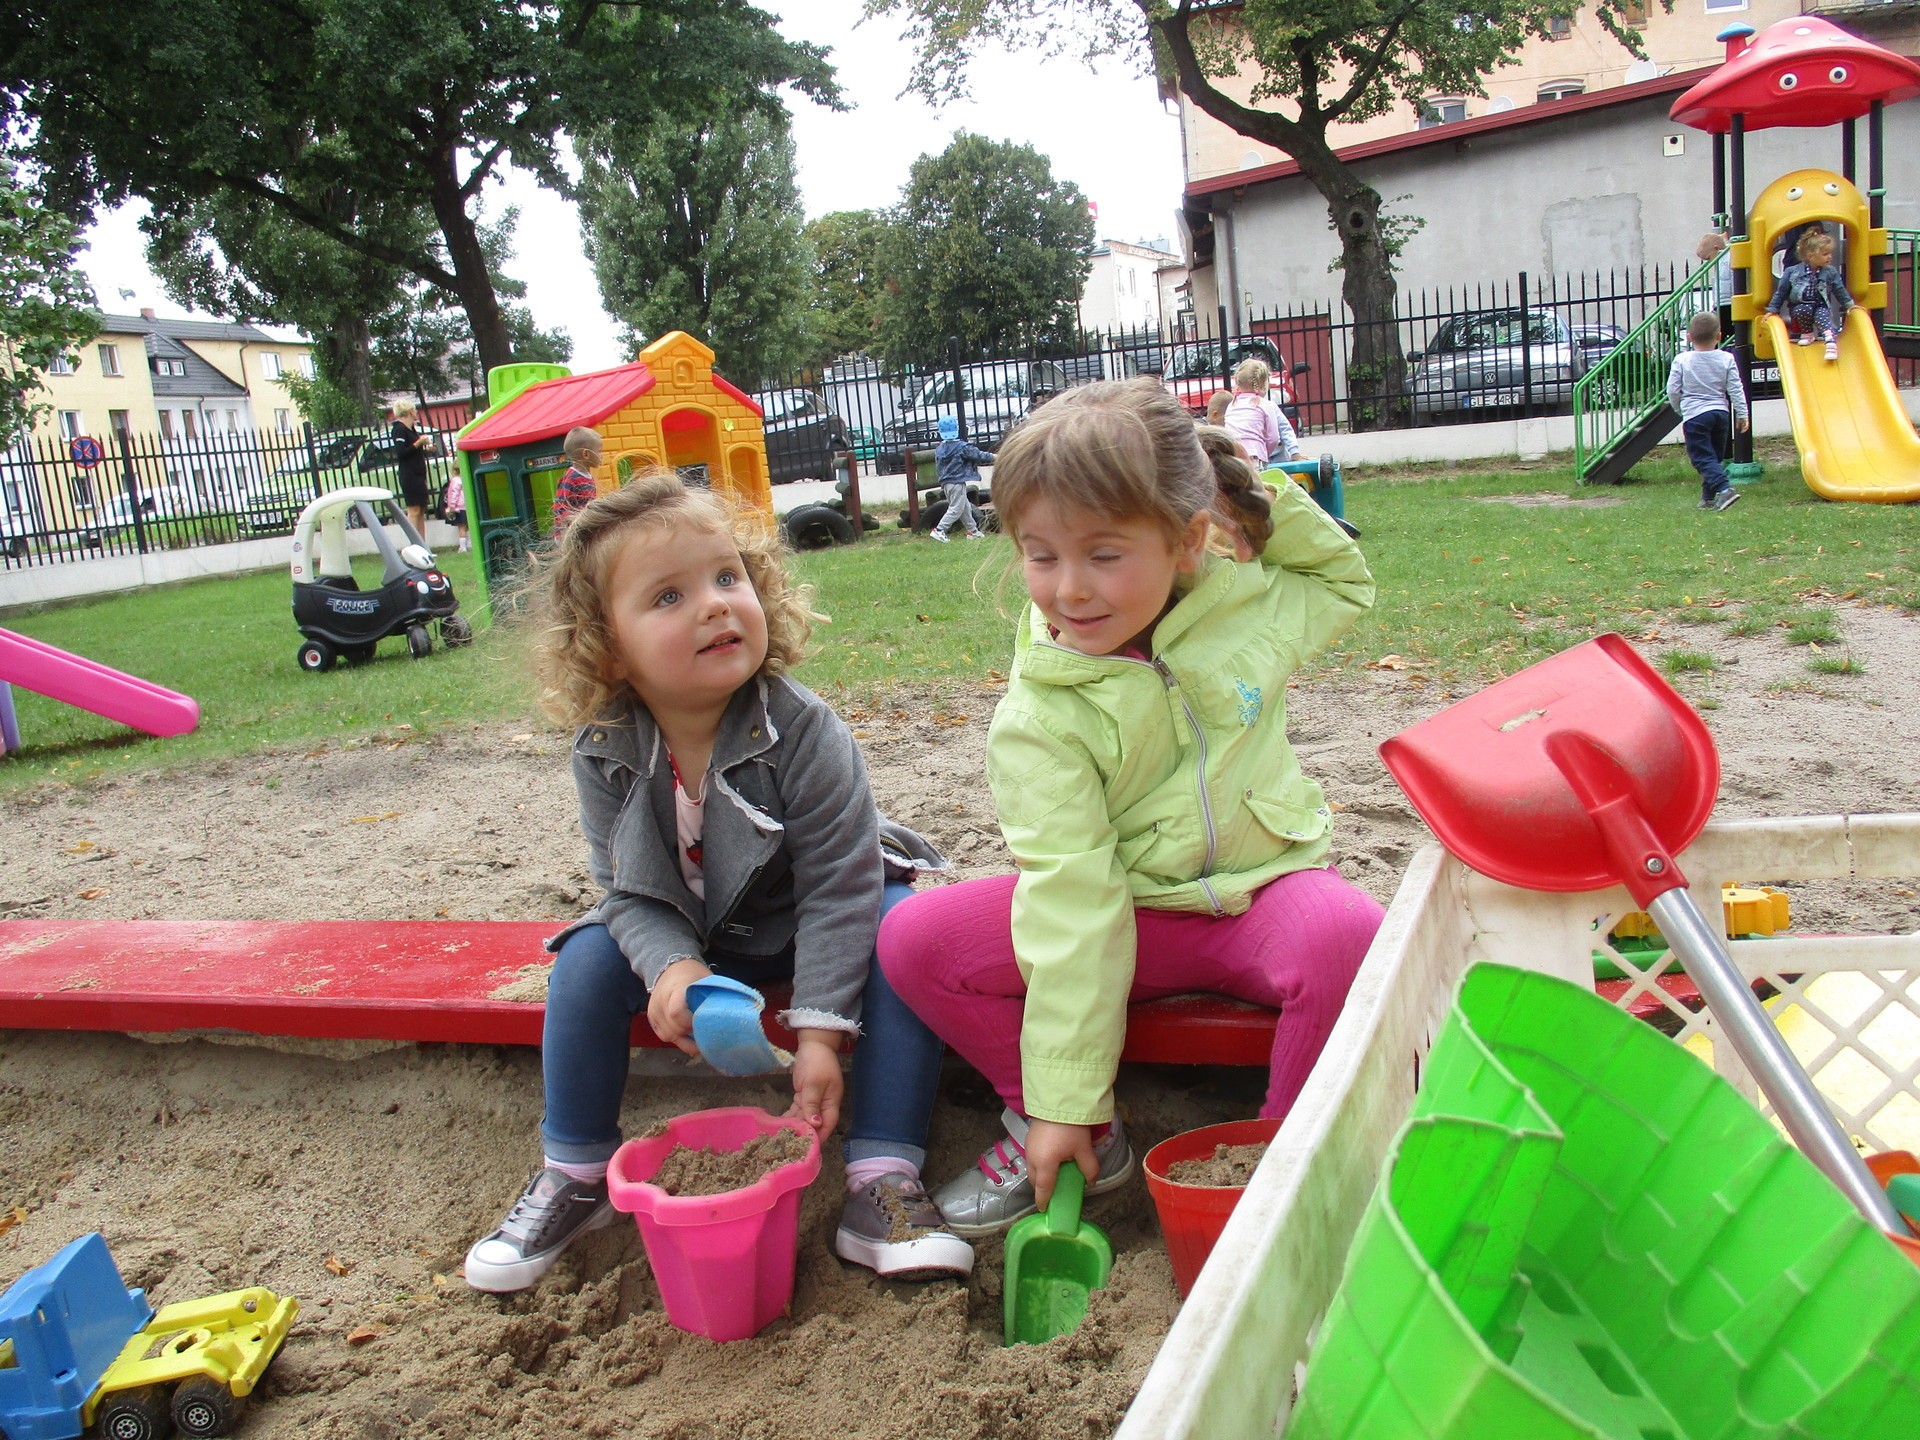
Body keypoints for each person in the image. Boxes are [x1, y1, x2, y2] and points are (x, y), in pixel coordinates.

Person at [877, 377, 1385, 1234]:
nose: (1070, 589)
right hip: (1131, 912)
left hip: (1261, 892)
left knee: (1349, 937)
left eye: (1105, 554)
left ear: (1187, 540)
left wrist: (1248, 496)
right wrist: (1062, 1101)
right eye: (1041, 555)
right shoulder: (1041, 714)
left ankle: (1288, 1172)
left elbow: (1343, 581)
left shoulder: (1244, 603)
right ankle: (1073, 1127)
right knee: (915, 941)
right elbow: (1074, 898)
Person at [463, 471, 973, 1291]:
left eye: (728, 577)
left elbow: (839, 888)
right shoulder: (605, 748)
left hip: (813, 924)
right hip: (702, 937)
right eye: (669, 596)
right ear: (607, 645)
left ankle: (882, 1178)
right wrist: (672, 968)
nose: (714, 605)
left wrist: (820, 1034)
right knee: (585, 961)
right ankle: (576, 1174)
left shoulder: (803, 731)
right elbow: (629, 892)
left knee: (899, 929)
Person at [1667, 311, 1750, 514]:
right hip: (1720, 414)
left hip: (1695, 416)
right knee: (1713, 457)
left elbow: (1672, 390)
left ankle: (1725, 489)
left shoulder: (1682, 360)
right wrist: (1742, 413)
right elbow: (1735, 388)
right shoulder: (1727, 358)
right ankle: (1708, 498)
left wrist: (1679, 409)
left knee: (1702, 458)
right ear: (1719, 336)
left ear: (1689, 337)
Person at [1766, 229, 1854, 362]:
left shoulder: (1830, 272)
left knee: (1822, 315)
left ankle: (1830, 341)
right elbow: (1781, 292)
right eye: (1825, 254)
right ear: (1810, 255)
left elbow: (1839, 290)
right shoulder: (1792, 272)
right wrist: (1773, 310)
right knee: (1801, 309)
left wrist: (1850, 305)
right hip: (1801, 305)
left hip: (1820, 305)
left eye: (1830, 253)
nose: (1830, 257)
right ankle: (1807, 333)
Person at [1222, 357, 1303, 469]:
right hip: (1254, 455)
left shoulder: (1232, 405)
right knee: (1257, 479)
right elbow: (1274, 438)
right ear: (1264, 384)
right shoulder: (1266, 405)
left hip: (1234, 456)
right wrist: (1264, 453)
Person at [930, 414, 990, 543]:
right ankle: (939, 530)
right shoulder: (961, 447)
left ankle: (972, 531)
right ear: (956, 429)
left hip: (946, 483)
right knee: (956, 508)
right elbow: (978, 455)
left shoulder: (940, 449)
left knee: (965, 507)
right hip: (957, 482)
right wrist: (996, 457)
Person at [389, 400, 433, 536]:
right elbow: (401, 453)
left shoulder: (411, 429)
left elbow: (413, 450)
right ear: (409, 412)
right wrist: (419, 442)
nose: (416, 412)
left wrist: (425, 449)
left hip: (419, 473)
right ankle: (413, 541)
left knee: (421, 509)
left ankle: (422, 543)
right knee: (413, 509)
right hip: (409, 475)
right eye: (414, 409)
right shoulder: (399, 429)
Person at [550, 427, 603, 538]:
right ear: (586, 454)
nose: (602, 455)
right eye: (599, 451)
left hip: (582, 528)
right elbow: (560, 507)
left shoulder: (587, 476)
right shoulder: (571, 478)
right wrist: (568, 528)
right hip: (569, 534)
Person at [442, 470, 470, 553]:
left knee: (461, 528)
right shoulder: (465, 478)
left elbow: (454, 494)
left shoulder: (455, 480)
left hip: (459, 507)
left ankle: (463, 547)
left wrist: (452, 506)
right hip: (466, 506)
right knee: (466, 527)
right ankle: (468, 544)